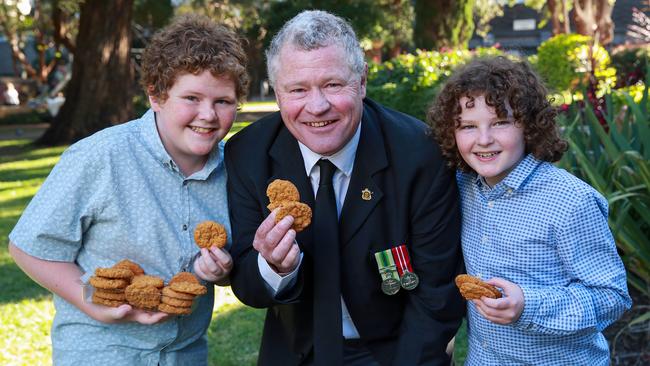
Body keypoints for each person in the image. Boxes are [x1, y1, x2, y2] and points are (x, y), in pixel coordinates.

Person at [225, 10, 464, 366]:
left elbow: (437, 294)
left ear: (362, 81)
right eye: (298, 89)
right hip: (294, 353)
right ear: (277, 93)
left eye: (333, 85)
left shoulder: (421, 155)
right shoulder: (247, 155)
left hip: (396, 351)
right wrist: (273, 267)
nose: (317, 106)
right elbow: (247, 285)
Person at [8, 14, 248, 365]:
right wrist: (92, 298)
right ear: (156, 95)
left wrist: (219, 271)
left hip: (186, 355)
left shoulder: (235, 170)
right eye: (192, 98)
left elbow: (224, 265)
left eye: (223, 101)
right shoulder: (101, 156)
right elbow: (29, 248)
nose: (208, 115)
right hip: (103, 353)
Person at [429, 56, 632, 365]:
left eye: (500, 122)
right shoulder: (461, 186)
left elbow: (611, 297)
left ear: (529, 124)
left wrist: (528, 305)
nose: (484, 140)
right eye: (468, 126)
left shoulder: (571, 202)